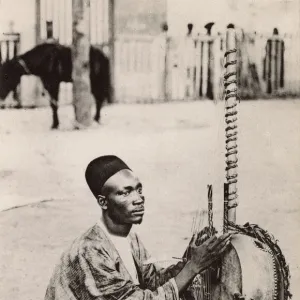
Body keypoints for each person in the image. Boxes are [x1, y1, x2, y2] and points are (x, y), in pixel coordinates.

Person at [45, 155, 232, 300]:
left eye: (139, 189)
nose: (138, 199)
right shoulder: (90, 250)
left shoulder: (129, 238)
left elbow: (152, 281)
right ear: (103, 202)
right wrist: (193, 266)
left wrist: (189, 259)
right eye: (125, 193)